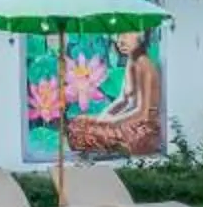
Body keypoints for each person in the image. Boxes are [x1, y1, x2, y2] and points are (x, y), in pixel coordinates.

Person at [64, 29, 162, 157]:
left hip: (142, 131)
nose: (120, 41)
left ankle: (101, 157)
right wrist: (102, 118)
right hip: (127, 122)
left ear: (142, 35)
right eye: (119, 35)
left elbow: (143, 113)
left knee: (81, 132)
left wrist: (110, 122)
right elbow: (123, 100)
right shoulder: (132, 61)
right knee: (77, 123)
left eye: (126, 35)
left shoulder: (145, 65)